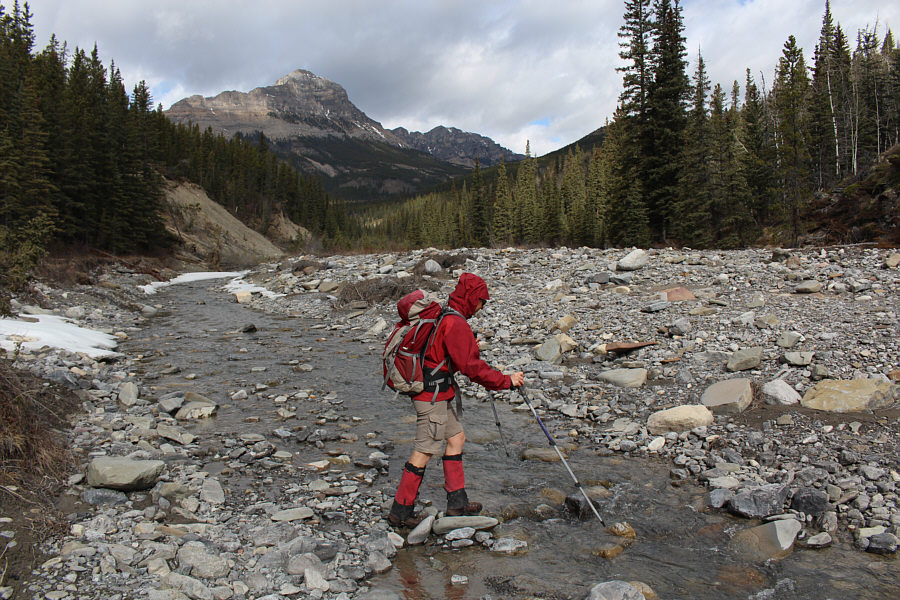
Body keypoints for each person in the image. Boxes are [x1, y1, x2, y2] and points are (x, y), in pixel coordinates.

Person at [388, 272, 525, 528]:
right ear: (472, 298)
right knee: (425, 450)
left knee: (456, 438)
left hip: (435, 391)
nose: (482, 306)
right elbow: (472, 368)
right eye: (482, 300)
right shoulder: (456, 323)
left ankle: (457, 503)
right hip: (431, 395)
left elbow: (446, 351)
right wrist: (506, 381)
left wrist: (469, 344)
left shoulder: (447, 313)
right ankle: (400, 511)